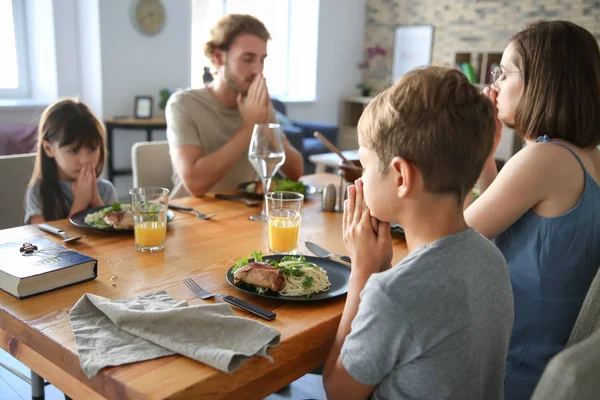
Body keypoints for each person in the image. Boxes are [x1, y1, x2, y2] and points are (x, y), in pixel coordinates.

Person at [322, 66, 514, 400]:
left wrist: (363, 274)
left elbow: (338, 392)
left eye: (365, 166)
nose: (362, 180)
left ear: (400, 176)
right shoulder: (491, 258)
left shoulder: (393, 294)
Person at [465, 20, 600, 400]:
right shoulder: (585, 158)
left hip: (513, 372)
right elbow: (511, 228)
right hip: (549, 357)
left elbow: (451, 239)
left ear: (542, 83)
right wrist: (487, 160)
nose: (493, 86)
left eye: (504, 73)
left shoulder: (545, 158)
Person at [166, 14, 303, 198]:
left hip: (243, 213)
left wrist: (265, 123)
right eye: (247, 59)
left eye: (262, 60)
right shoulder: (183, 104)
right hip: (192, 218)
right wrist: (249, 127)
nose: (257, 70)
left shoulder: (258, 105)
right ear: (218, 57)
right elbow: (195, 184)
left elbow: (295, 173)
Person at [25, 99, 118, 224]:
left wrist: (96, 201)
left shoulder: (105, 190)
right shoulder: (38, 192)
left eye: (92, 149)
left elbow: (114, 237)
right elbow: (42, 240)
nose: (85, 160)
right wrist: (80, 203)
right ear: (48, 148)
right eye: (73, 151)